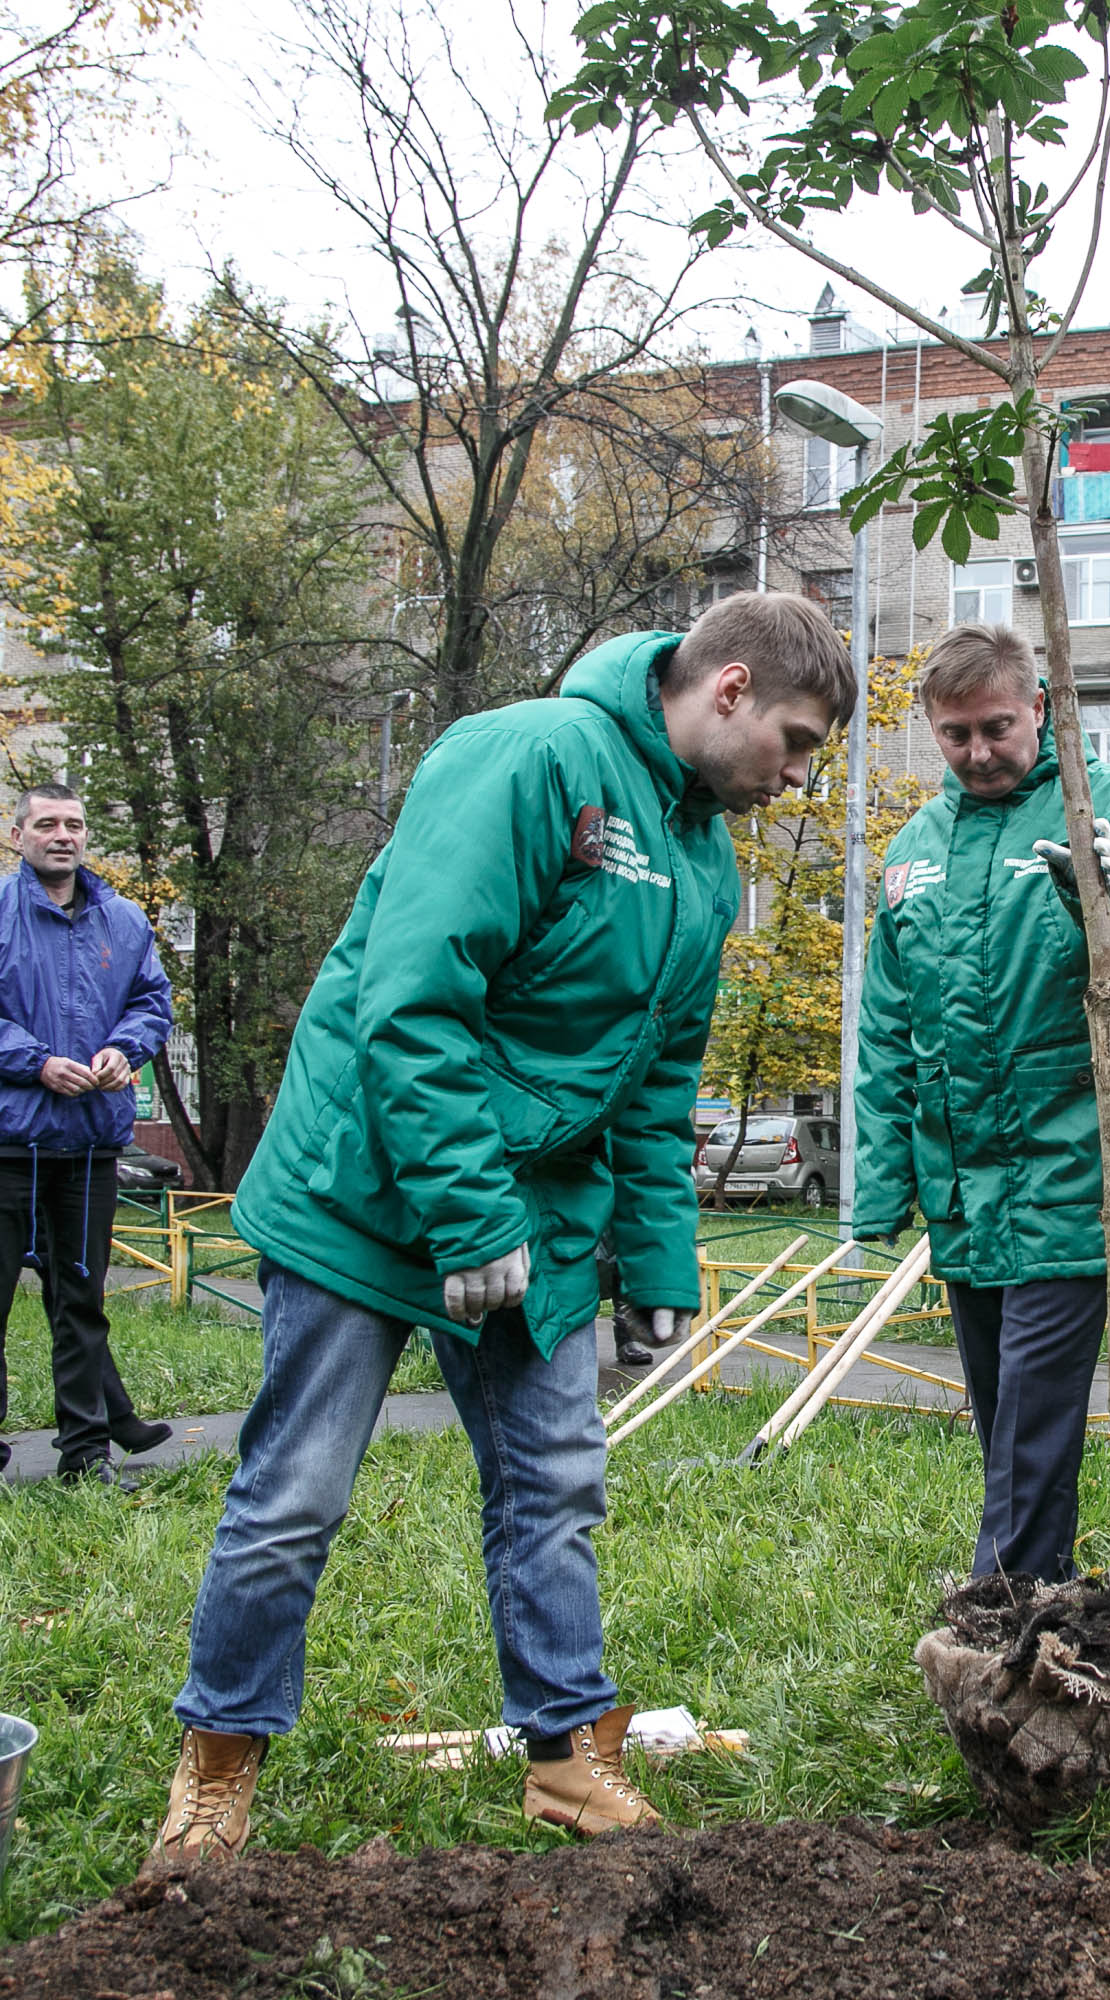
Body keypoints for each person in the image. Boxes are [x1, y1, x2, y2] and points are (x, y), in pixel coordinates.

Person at [153, 593, 854, 1863]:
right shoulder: (527, 756)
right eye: (797, 741)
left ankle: (565, 1759)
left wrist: (657, 1265)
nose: (798, 777)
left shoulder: (702, 859)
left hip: (533, 1214)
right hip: (366, 1192)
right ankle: (217, 1764)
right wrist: (468, 1215)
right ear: (732, 687)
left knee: (554, 1486)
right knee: (294, 1493)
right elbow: (413, 1000)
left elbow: (653, 1082)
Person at [852, 623, 1110, 1583]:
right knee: (1003, 1408)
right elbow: (887, 1030)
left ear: (1039, 707)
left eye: (997, 728)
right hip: (964, 1183)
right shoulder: (913, 850)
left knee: (1035, 1409)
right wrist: (880, 1194)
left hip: (1075, 1165)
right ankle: (1039, 1580)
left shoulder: (1109, 803)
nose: (978, 752)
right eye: (955, 734)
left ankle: (1001, 1600)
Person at [0, 784, 175, 1487]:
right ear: (19, 836)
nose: (63, 835)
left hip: (92, 1148)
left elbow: (152, 1002)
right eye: (47, 824)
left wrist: (123, 1051)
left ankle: (86, 1458)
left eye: (74, 822)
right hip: (9, 1148)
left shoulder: (125, 920)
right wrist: (35, 1062)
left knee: (81, 1308)